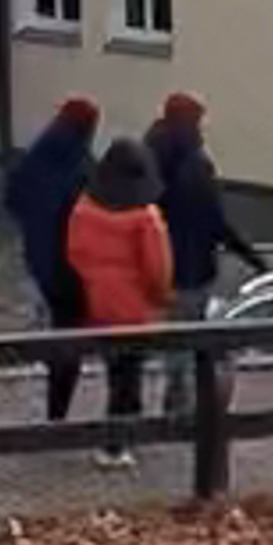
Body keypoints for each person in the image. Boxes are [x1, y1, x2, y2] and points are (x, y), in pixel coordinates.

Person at [143, 90, 264, 407]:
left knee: (167, 338)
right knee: (189, 338)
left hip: (156, 265)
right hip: (192, 267)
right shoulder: (195, 165)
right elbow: (213, 220)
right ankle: (180, 407)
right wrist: (249, 255)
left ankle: (168, 401)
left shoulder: (148, 155)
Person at [62, 136, 180, 454]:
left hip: (95, 305)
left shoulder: (84, 208)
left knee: (114, 372)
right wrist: (162, 298)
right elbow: (157, 269)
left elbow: (73, 255)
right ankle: (119, 443)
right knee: (129, 378)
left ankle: (116, 439)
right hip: (132, 311)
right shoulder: (145, 217)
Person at [6, 91, 106, 420]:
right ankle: (58, 410)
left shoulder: (37, 154)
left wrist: (35, 226)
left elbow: (13, 198)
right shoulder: (82, 165)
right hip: (72, 266)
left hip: (40, 258)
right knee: (70, 334)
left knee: (59, 327)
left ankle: (55, 406)